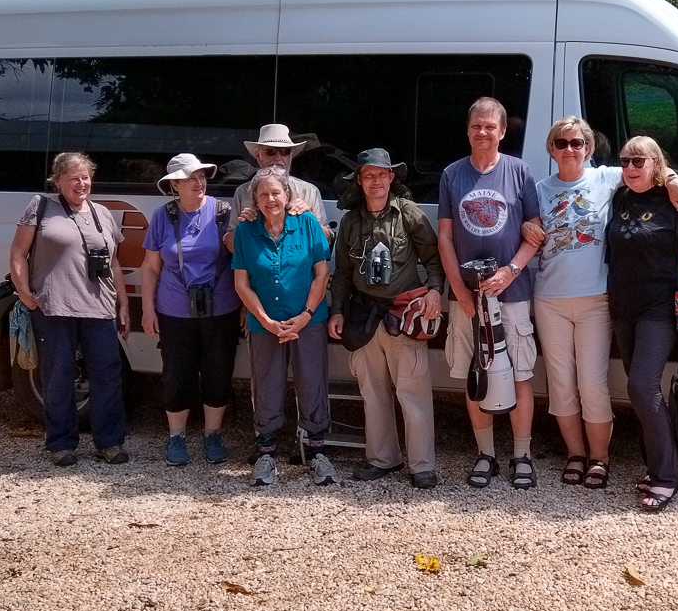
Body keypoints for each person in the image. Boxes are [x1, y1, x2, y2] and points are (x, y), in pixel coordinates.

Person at [530, 115, 678, 490]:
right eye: (561, 142)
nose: (570, 149)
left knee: (592, 384)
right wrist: (527, 225)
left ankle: (600, 459)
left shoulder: (607, 178)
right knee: (561, 383)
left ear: (589, 148)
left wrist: (673, 180)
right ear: (551, 148)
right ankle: (575, 454)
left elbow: (648, 168)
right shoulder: (539, 188)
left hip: (597, 298)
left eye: (577, 142)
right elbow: (527, 223)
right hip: (550, 297)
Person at [437, 97, 543, 490]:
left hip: (512, 295)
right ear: (468, 130)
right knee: (474, 374)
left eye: (490, 126)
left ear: (502, 131)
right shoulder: (452, 174)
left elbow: (534, 232)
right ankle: (486, 455)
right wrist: (460, 293)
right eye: (476, 125)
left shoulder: (519, 172)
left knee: (518, 374)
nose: (483, 132)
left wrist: (511, 271)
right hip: (466, 296)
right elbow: (445, 237)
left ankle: (522, 455)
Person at [327, 148, 445, 489]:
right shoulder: (351, 220)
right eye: (368, 175)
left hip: (402, 312)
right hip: (364, 315)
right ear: (360, 181)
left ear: (391, 177)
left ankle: (422, 465)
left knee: (413, 391)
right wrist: (337, 311)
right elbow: (344, 274)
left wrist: (434, 290)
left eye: (382, 174)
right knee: (372, 392)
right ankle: (383, 458)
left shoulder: (409, 214)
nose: (376, 181)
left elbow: (434, 257)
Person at [605, 136, 678, 512]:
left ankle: (666, 476)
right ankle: (656, 467)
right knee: (640, 392)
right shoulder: (619, 198)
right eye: (625, 161)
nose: (630, 168)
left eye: (638, 162)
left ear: (655, 163)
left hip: (660, 308)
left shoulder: (677, 203)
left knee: (642, 385)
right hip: (623, 307)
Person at [8, 151, 130, 467]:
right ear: (58, 180)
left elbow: (114, 261)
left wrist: (124, 303)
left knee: (107, 377)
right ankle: (61, 444)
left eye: (85, 177)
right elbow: (18, 253)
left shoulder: (103, 213)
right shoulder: (41, 206)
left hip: (100, 309)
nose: (81, 183)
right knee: (58, 376)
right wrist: (24, 292)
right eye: (73, 177)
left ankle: (110, 443)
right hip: (54, 308)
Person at [231, 166, 335, 488]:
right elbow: (241, 283)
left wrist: (305, 314)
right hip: (265, 326)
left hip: (309, 321)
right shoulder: (245, 231)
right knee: (266, 385)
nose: (270, 199)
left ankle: (317, 453)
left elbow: (322, 274)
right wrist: (264, 320)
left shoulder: (306, 224)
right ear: (256, 201)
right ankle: (266, 454)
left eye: (276, 192)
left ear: (288, 195)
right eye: (263, 194)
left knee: (312, 382)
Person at [140, 153, 239, 467]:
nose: (199, 182)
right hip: (174, 310)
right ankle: (177, 436)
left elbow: (241, 260)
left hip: (221, 309)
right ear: (175, 185)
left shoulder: (224, 212)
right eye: (190, 177)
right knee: (176, 375)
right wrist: (147, 309)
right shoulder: (162, 216)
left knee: (218, 373)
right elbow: (150, 267)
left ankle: (212, 434)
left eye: (202, 176)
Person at [226, 123, 330, 245]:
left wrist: (309, 218)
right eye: (271, 151)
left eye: (285, 152)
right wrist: (243, 226)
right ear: (259, 156)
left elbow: (326, 241)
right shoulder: (243, 192)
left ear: (290, 156)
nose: (278, 157)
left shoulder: (309, 190)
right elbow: (230, 246)